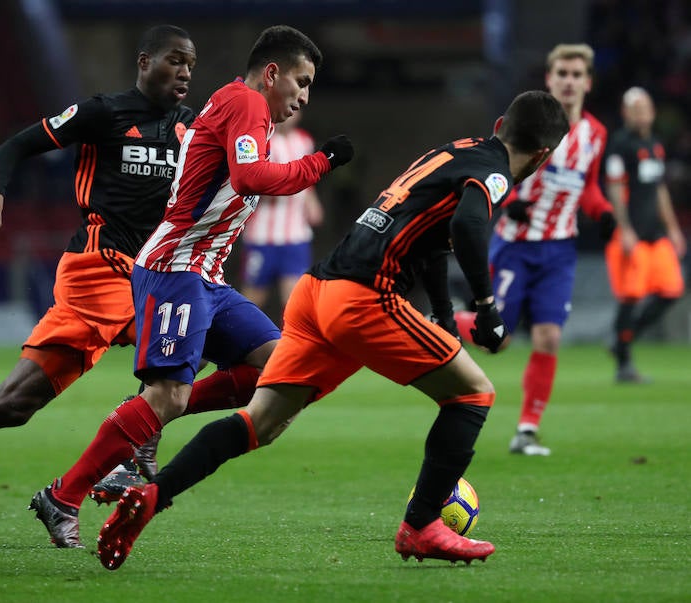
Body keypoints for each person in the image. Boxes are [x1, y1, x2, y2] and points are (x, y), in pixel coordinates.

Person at [93, 90, 570, 570]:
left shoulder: (456, 150)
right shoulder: (495, 172)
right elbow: (468, 226)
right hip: (364, 297)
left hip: (315, 292)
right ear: (544, 156)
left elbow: (433, 240)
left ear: (501, 121)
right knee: (473, 394)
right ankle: (422, 525)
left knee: (261, 422)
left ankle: (152, 496)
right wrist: (486, 308)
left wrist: (446, 315)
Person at [0, 26, 264, 543]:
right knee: (171, 362)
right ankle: (120, 460)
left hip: (150, 271)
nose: (186, 72)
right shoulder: (104, 113)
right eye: (175, 61)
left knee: (10, 405)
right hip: (97, 267)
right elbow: (16, 144)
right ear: (144, 62)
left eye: (191, 64)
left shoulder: (191, 129)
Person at [30, 24, 353, 549]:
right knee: (169, 395)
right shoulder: (246, 103)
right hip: (175, 269)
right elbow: (250, 179)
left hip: (204, 274)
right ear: (272, 73)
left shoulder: (248, 110)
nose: (304, 95)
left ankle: (146, 429)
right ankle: (63, 495)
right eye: (302, 80)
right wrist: (322, 163)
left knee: (273, 368)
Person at [455, 44, 616, 456]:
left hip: (560, 249)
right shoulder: (529, 125)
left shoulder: (595, 134)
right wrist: (511, 201)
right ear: (549, 78)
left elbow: (589, 186)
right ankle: (444, 317)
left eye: (577, 74)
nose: (569, 80)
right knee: (498, 339)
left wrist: (604, 212)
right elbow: (495, 169)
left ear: (588, 82)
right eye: (562, 72)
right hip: (516, 246)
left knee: (548, 337)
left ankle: (526, 429)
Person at [604, 87, 686, 382]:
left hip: (655, 234)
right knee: (630, 296)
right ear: (626, 113)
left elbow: (659, 189)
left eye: (646, 108)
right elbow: (614, 187)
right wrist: (624, 229)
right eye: (636, 109)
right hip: (632, 234)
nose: (642, 114)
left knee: (672, 290)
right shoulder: (620, 145)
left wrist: (674, 228)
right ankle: (624, 364)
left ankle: (621, 339)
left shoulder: (654, 143)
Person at [241, 109, 323, 315]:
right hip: (261, 238)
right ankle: (239, 344)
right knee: (252, 301)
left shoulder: (304, 141)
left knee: (294, 303)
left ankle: (290, 346)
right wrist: (283, 186)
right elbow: (252, 184)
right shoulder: (261, 143)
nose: (292, 113)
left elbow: (309, 180)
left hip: (295, 237)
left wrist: (312, 202)